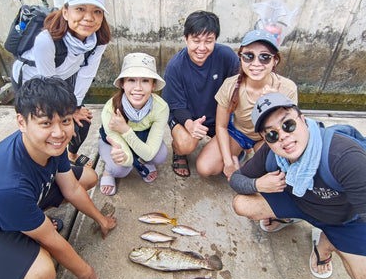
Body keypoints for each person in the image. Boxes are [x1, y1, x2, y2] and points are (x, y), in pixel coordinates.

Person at [0, 77, 117, 279]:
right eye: (46, 123)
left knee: (88, 177)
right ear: (22, 122)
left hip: (9, 205)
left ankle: (26, 226)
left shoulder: (51, 146)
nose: (58, 133)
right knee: (42, 277)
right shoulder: (8, 185)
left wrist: (101, 219)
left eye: (65, 121)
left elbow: (72, 189)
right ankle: (12, 250)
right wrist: (85, 272)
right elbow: (50, 239)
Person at [229, 92, 366, 279]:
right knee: (241, 204)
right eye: (272, 134)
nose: (283, 136)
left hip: (340, 219)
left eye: (288, 125)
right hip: (299, 202)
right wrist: (258, 185)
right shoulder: (271, 154)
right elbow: (236, 179)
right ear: (266, 140)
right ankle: (286, 217)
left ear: (302, 120)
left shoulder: (344, 156)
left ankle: (325, 246)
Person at [11, 0, 112, 167]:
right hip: (34, 81)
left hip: (62, 75)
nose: (89, 17)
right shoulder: (45, 41)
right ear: (65, 12)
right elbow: (48, 84)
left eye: (96, 11)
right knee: (41, 121)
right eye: (80, 9)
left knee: (81, 119)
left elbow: (86, 74)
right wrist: (66, 111)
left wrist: (75, 107)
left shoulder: (99, 39)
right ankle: (40, 161)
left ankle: (71, 156)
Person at [197, 29, 298, 180]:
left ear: (274, 60)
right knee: (205, 167)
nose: (256, 63)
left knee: (277, 171)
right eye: (249, 56)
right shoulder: (231, 85)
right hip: (238, 132)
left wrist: (274, 102)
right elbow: (221, 126)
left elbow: (289, 131)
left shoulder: (287, 89)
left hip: (267, 137)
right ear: (241, 58)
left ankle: (251, 156)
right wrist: (228, 162)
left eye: (264, 57)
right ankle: (239, 151)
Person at [162, 10, 239, 177]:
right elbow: (176, 106)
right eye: (196, 41)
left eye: (209, 41)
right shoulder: (175, 66)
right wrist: (190, 124)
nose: (202, 48)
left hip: (218, 118)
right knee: (186, 144)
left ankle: (219, 144)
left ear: (215, 40)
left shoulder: (227, 56)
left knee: (215, 165)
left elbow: (238, 88)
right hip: (186, 117)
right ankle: (179, 152)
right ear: (186, 39)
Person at [98, 53, 169, 196]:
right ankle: (109, 170)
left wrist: (124, 129)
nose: (138, 88)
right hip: (114, 143)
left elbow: (149, 154)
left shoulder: (161, 108)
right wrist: (123, 157)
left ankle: (140, 160)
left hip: (139, 139)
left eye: (145, 81)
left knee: (159, 155)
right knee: (121, 168)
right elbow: (128, 161)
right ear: (123, 84)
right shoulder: (110, 109)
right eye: (131, 80)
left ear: (153, 85)